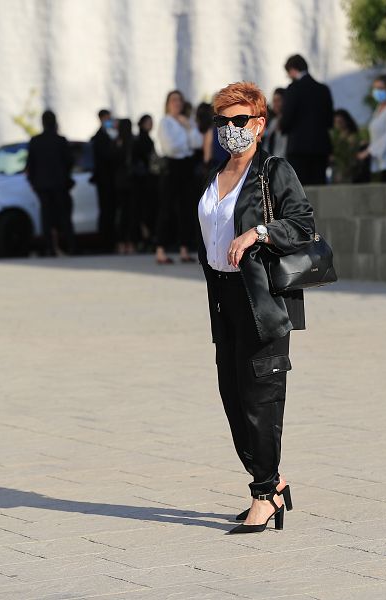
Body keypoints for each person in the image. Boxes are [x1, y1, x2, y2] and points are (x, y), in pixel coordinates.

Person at [197, 81, 315, 534]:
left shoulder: (272, 170)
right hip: (224, 301)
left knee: (260, 401)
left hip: (261, 300)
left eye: (240, 120)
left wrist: (258, 233)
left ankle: (264, 495)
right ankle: (273, 482)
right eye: (223, 121)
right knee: (232, 397)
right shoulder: (215, 175)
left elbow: (302, 224)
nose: (231, 129)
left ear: (260, 124)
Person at [155, 90, 202, 264]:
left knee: (186, 209)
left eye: (179, 100)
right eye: (173, 100)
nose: (177, 103)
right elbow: (170, 147)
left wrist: (189, 129)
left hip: (186, 166)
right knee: (166, 209)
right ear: (168, 103)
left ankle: (184, 249)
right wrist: (187, 142)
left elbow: (197, 143)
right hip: (172, 166)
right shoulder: (165, 122)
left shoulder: (187, 121)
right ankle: (160, 249)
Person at [279, 54, 333, 186]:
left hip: (298, 148)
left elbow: (287, 118)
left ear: (292, 70)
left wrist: (282, 127)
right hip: (321, 147)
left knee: (300, 189)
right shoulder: (323, 89)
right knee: (319, 185)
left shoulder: (293, 89)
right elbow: (329, 119)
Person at [27, 110, 75, 256]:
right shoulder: (60, 140)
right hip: (59, 184)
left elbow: (30, 165)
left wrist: (34, 182)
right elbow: (69, 162)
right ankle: (70, 246)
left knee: (46, 217)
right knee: (64, 216)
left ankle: (50, 247)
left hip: (42, 185)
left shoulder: (35, 141)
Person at [90, 108, 118, 252]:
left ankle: (111, 242)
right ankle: (105, 243)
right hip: (104, 180)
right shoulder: (99, 138)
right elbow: (107, 156)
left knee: (111, 211)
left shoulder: (109, 135)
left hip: (110, 180)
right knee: (106, 211)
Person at [132, 114, 160, 247]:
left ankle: (147, 236)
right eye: (148, 122)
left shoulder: (146, 138)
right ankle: (146, 237)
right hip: (144, 181)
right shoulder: (142, 140)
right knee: (145, 210)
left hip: (146, 180)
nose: (151, 125)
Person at [113, 118, 137, 254]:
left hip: (120, 182)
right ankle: (132, 243)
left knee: (122, 213)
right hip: (133, 181)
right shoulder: (134, 141)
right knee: (132, 213)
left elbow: (112, 159)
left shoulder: (118, 141)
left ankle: (121, 243)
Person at [330, 109, 365, 183]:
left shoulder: (353, 137)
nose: (338, 125)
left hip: (350, 172)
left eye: (340, 122)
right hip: (337, 170)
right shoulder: (335, 137)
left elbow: (352, 157)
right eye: (336, 122)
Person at [263, 87, 287, 159]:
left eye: (279, 100)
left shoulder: (288, 123)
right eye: (274, 101)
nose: (275, 104)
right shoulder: (273, 122)